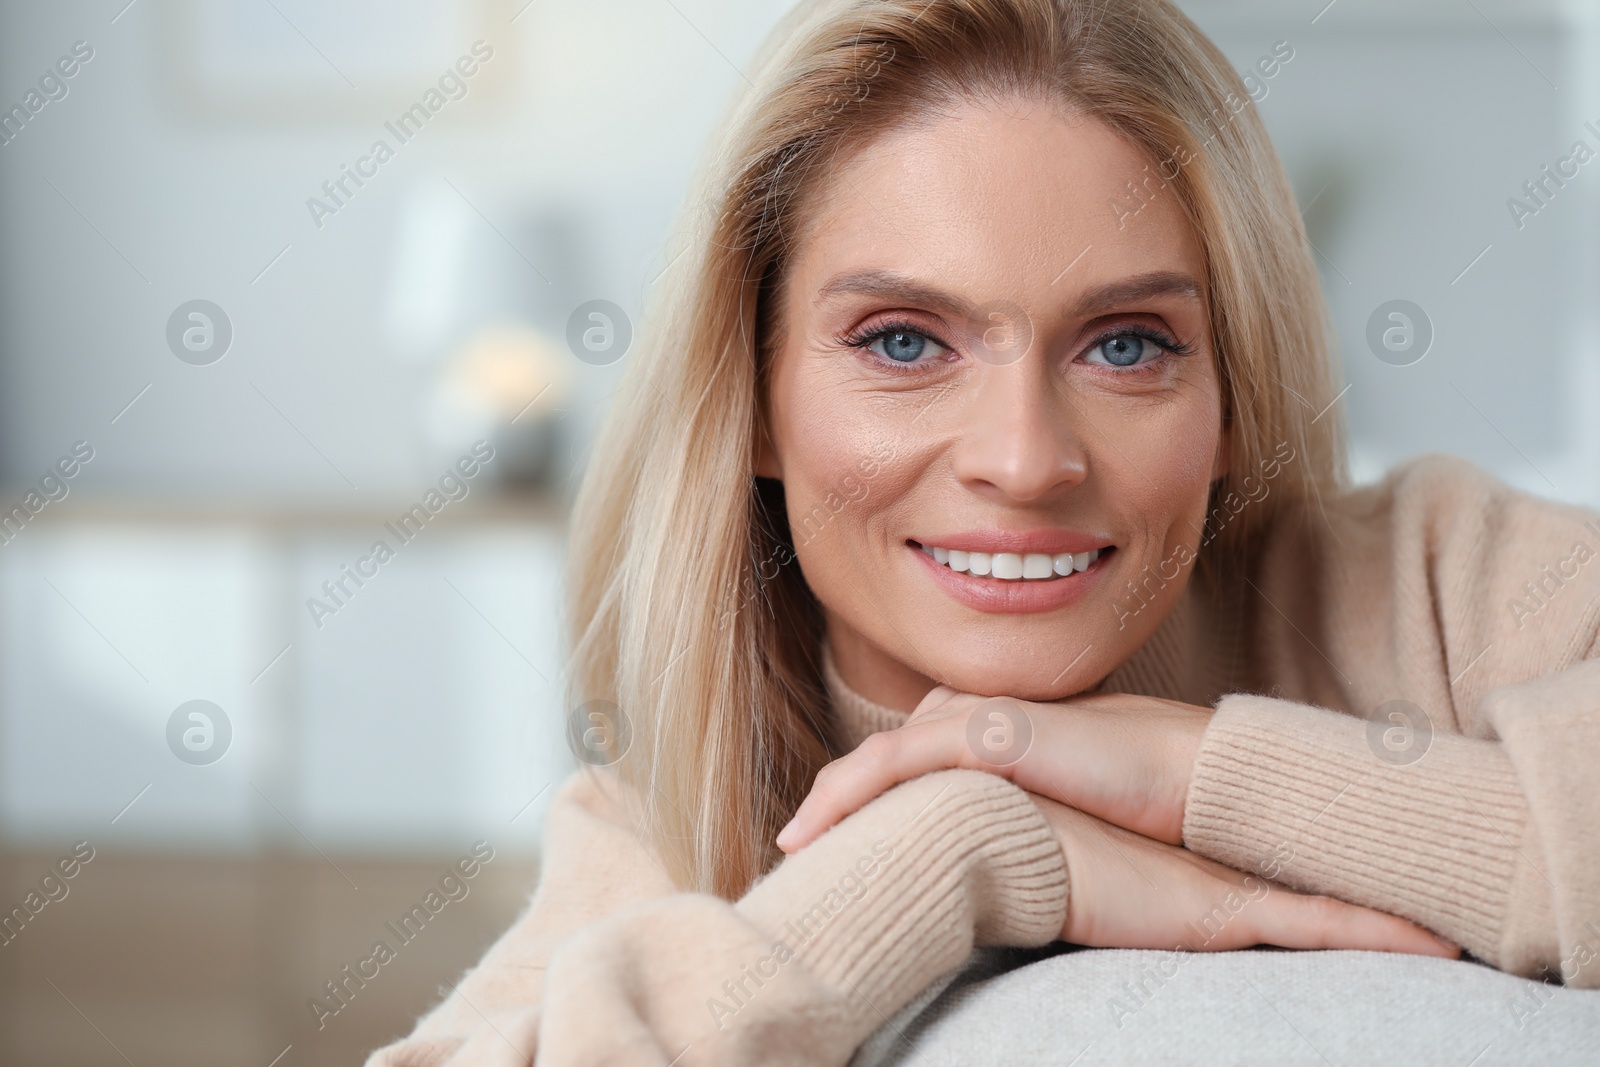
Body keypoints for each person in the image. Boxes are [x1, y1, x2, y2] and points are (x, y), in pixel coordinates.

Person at [366, 0, 1600, 1062]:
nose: (1023, 459)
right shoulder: (671, 820)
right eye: (902, 340)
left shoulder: (1434, 579)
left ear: (1231, 394)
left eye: (1125, 344)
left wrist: (1190, 773)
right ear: (749, 402)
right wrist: (952, 844)